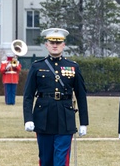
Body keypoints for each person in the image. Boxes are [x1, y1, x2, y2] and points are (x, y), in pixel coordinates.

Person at [23, 28, 89, 166]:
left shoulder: (73, 67)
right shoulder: (37, 66)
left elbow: (81, 96)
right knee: (46, 159)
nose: (55, 45)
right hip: (43, 118)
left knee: (61, 160)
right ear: (46, 44)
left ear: (63, 45)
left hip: (65, 117)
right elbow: (28, 96)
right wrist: (28, 119)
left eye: (58, 42)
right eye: (51, 42)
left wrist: (84, 122)